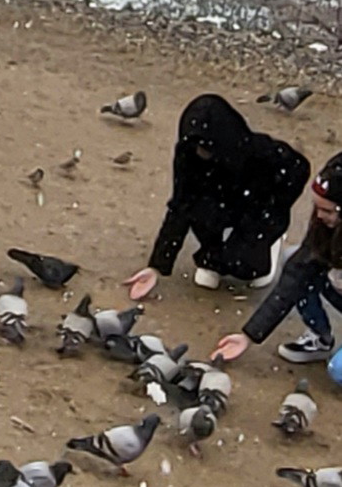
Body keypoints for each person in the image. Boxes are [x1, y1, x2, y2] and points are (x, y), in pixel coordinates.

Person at [125, 94, 308, 305]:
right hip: (221, 203)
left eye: (207, 146)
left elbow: (298, 170)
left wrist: (270, 216)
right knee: (199, 211)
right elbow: (180, 205)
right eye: (197, 144)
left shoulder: (259, 153)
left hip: (257, 207)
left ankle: (265, 246)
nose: (200, 151)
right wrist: (157, 266)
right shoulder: (188, 153)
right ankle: (213, 256)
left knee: (247, 268)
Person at [212, 153, 342, 379]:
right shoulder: (324, 226)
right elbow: (297, 273)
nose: (319, 216)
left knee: (338, 371)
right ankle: (320, 339)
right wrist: (249, 335)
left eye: (328, 211)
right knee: (298, 262)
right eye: (317, 208)